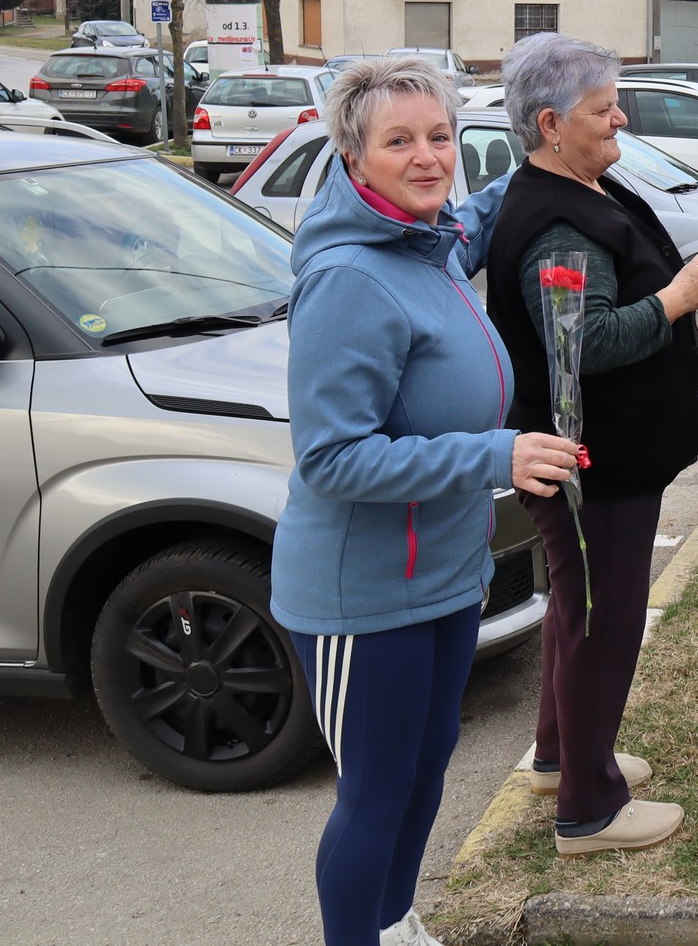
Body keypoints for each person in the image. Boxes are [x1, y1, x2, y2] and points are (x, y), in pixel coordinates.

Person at [272, 56, 582, 946]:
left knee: (426, 766)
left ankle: (396, 923)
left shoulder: (429, 242)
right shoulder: (345, 280)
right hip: (361, 597)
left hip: (445, 574)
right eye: (397, 140)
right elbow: (332, 457)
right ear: (353, 154)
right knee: (374, 793)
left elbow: (476, 214)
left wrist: (553, 148)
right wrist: (498, 453)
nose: (426, 156)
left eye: (440, 136)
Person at [483, 33, 698, 854]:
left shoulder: (579, 184)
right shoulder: (557, 222)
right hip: (595, 470)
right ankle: (589, 809)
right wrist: (679, 296)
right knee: (602, 619)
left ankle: (563, 757)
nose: (621, 115)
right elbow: (582, 345)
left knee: (576, 609)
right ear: (551, 124)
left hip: (605, 461)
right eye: (603, 108)